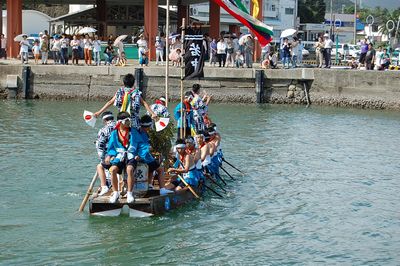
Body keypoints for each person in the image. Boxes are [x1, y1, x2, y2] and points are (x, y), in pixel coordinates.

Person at [104, 111, 138, 203]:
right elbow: (111, 148)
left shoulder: (133, 131)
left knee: (129, 169)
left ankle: (130, 193)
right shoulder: (114, 133)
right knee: (112, 170)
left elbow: (142, 144)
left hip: (131, 156)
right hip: (120, 156)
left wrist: (139, 154)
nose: (128, 123)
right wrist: (110, 155)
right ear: (120, 122)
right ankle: (115, 193)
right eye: (126, 121)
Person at [134, 115, 173, 195]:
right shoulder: (143, 134)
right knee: (160, 169)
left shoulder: (136, 132)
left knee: (151, 168)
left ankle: (148, 185)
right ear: (147, 126)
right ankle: (162, 189)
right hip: (144, 157)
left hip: (143, 156)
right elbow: (144, 147)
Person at [95, 111, 116, 196]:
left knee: (100, 166)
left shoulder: (103, 130)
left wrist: (102, 159)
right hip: (121, 154)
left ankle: (105, 186)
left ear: (104, 120)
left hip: (110, 156)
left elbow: (100, 146)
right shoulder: (120, 126)